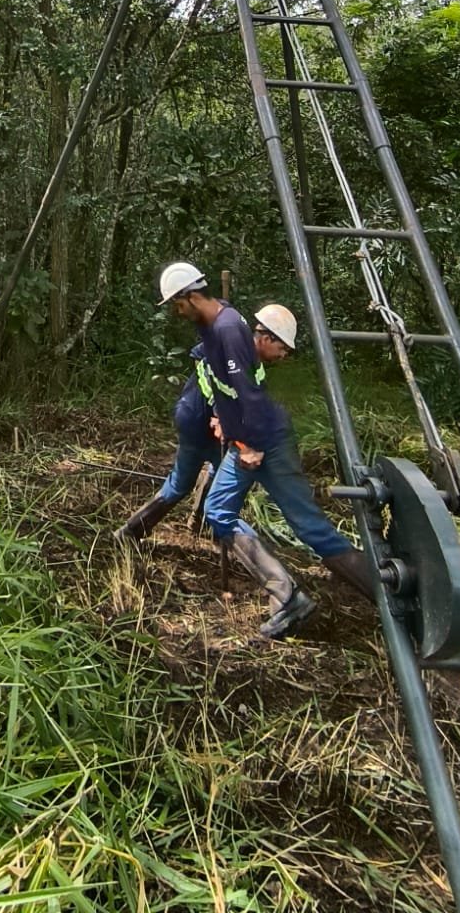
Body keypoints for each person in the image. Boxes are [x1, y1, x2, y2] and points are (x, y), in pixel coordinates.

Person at [156, 261, 376, 637]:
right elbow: (221, 385)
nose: (176, 312)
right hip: (245, 441)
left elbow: (250, 395)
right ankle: (287, 596)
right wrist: (224, 420)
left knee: (307, 526)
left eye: (176, 304)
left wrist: (252, 445)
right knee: (219, 511)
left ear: (190, 297)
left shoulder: (228, 330)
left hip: (263, 442)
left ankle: (383, 592)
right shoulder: (212, 325)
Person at [115, 352, 323, 641]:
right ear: (265, 338)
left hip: (211, 433)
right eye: (282, 347)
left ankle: (191, 527)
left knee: (209, 483)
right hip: (198, 429)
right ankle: (131, 531)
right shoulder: (228, 348)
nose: (284, 355)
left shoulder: (248, 362)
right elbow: (212, 374)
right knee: (181, 485)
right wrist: (222, 413)